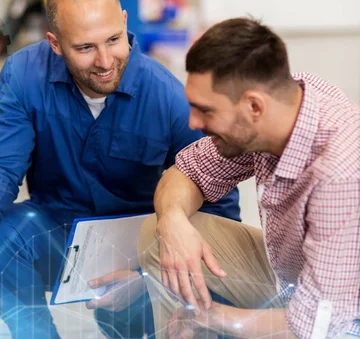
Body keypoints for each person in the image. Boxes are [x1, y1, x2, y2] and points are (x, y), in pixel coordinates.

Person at [0, 0, 240, 338]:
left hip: (139, 254)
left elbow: (218, 211)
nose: (106, 60)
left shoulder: (168, 97)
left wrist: (148, 279)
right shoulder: (23, 76)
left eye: (113, 39)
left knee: (170, 309)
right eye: (85, 48)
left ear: (125, 22)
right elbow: (1, 159)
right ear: (55, 43)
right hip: (56, 231)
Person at [138, 17, 360, 338]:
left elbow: (321, 327)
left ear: (254, 106)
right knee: (159, 234)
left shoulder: (339, 176)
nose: (192, 122)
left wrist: (216, 317)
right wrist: (172, 220)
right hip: (295, 276)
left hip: (343, 318)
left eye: (205, 110)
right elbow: (186, 172)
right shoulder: (286, 101)